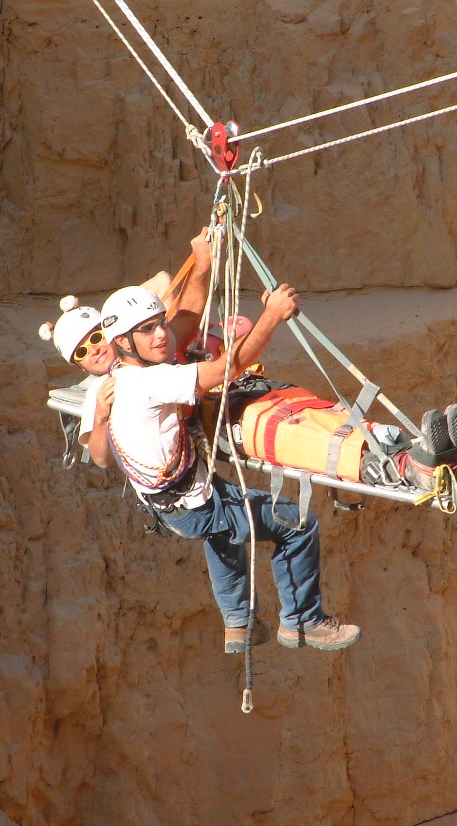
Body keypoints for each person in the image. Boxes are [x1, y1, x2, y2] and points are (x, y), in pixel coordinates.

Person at [100, 283, 362, 654]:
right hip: (196, 505)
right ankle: (302, 622)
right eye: (147, 329)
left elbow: (187, 319)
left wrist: (203, 261)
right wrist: (272, 315)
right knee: (299, 525)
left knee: (223, 532)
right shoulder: (151, 381)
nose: (161, 334)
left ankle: (239, 624)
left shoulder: (114, 378)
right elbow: (227, 369)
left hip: (173, 505)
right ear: (123, 342)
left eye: (160, 323)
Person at [38, 229, 213, 466]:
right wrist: (101, 416)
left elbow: (179, 304)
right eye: (81, 352)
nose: (94, 350)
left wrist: (202, 260)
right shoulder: (100, 391)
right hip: (168, 476)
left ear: (114, 334)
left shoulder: (149, 347)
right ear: (81, 367)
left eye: (96, 337)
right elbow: (101, 459)